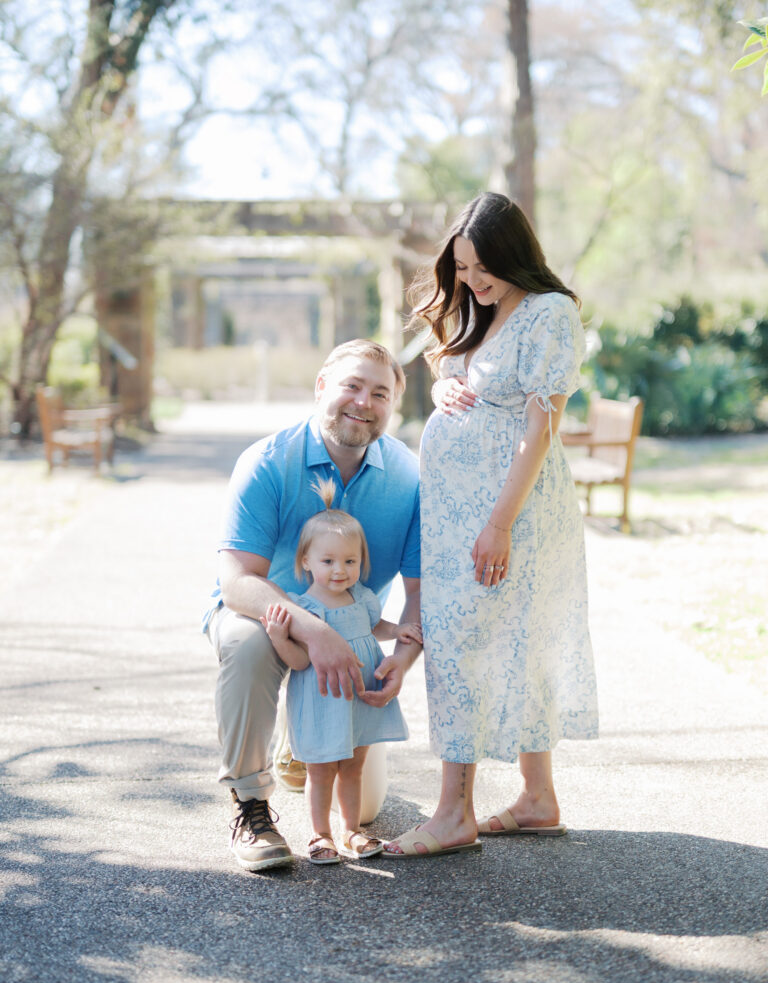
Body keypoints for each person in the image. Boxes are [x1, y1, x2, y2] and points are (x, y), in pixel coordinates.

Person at [384, 192, 598, 859]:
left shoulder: (548, 313)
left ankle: (453, 813)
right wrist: (449, 386)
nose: (472, 281)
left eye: (483, 268)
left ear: (513, 255)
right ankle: (537, 799)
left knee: (463, 644)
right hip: (458, 518)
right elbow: (462, 375)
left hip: (514, 514)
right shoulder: (483, 311)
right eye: (463, 268)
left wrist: (499, 524)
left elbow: (540, 425)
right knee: (499, 640)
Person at [204, 339, 421, 872]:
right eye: (351, 385)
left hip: (354, 638)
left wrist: (405, 657)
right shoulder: (266, 462)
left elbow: (420, 591)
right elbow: (236, 581)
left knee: (364, 808)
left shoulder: (410, 476)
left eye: (380, 393)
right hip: (268, 616)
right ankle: (251, 803)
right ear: (321, 386)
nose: (363, 402)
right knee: (247, 643)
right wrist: (314, 630)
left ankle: (296, 739)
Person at [260, 479, 420, 864]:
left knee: (353, 765)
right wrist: (280, 637)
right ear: (306, 562)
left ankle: (351, 830)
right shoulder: (303, 607)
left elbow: (372, 626)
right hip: (322, 698)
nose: (339, 570)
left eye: (350, 561)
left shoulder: (361, 595)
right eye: (328, 561)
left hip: (359, 695)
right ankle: (319, 834)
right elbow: (299, 662)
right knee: (320, 771)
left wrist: (396, 630)